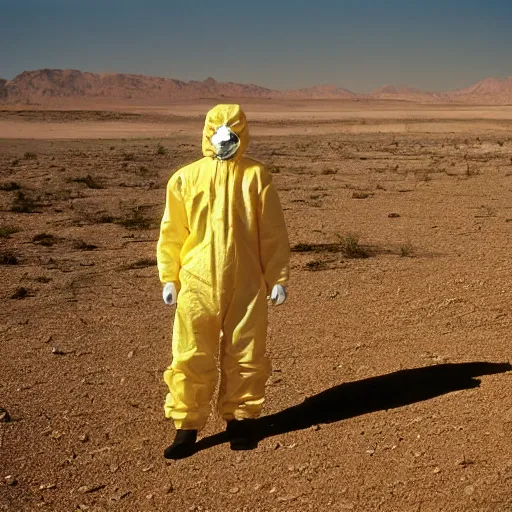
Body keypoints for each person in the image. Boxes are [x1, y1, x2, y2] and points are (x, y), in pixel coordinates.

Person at [157, 104, 290, 459]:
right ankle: (186, 427)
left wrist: (276, 276)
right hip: (196, 282)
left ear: (242, 136)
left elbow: (272, 232)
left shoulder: (256, 177)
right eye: (219, 135)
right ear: (207, 135)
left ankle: (242, 420)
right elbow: (172, 233)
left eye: (232, 136)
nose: (225, 142)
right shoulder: (185, 179)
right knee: (189, 353)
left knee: (246, 351)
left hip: (246, 281)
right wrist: (169, 277)